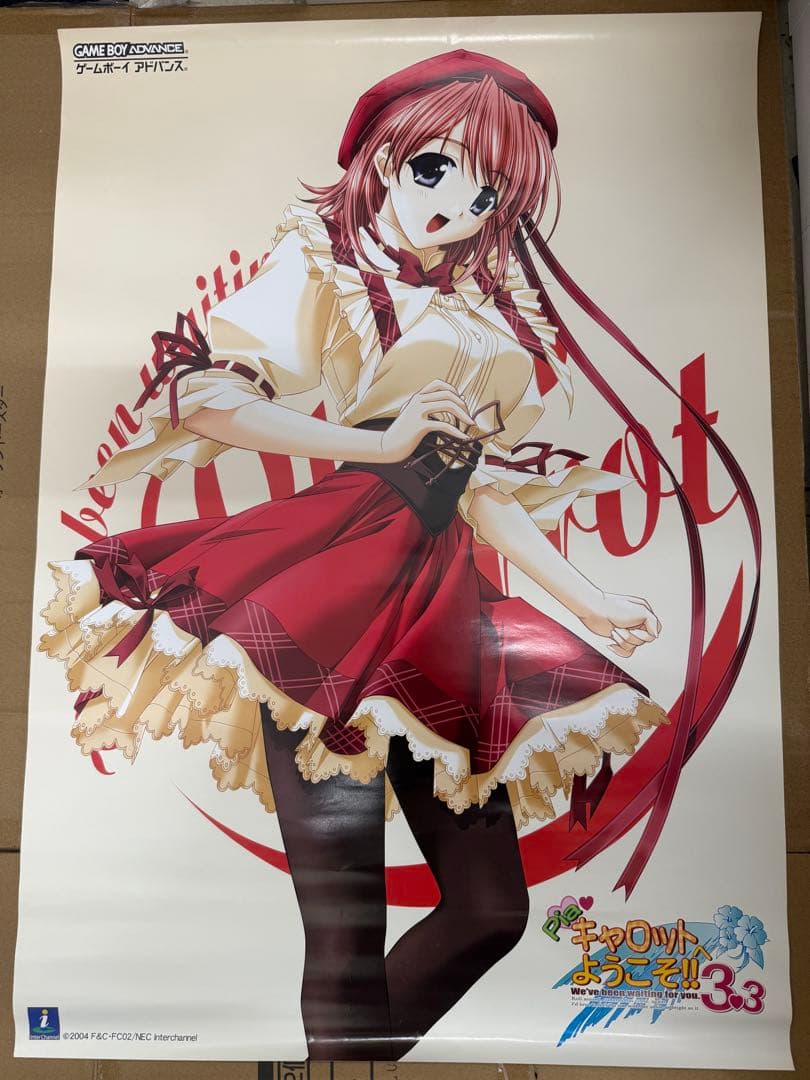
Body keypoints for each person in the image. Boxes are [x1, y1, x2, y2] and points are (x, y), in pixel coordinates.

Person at [42, 50, 691, 1060]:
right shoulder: (324, 270)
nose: (457, 207)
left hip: (441, 604)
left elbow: (476, 486)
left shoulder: (482, 319)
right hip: (325, 595)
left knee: (491, 910)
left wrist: (591, 599)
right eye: (437, 169)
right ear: (385, 159)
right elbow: (211, 399)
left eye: (487, 194)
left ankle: (341, 1060)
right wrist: (374, 442)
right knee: (346, 930)